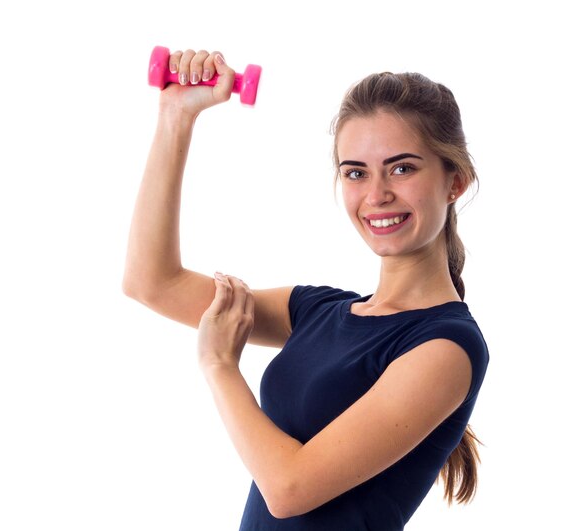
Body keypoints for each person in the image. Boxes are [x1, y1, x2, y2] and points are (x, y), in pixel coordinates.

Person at [123, 49, 489, 530]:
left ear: (454, 181)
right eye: (355, 172)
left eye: (402, 168)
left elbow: (289, 488)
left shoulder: (446, 346)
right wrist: (176, 117)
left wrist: (219, 366)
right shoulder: (318, 311)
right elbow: (154, 283)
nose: (376, 194)